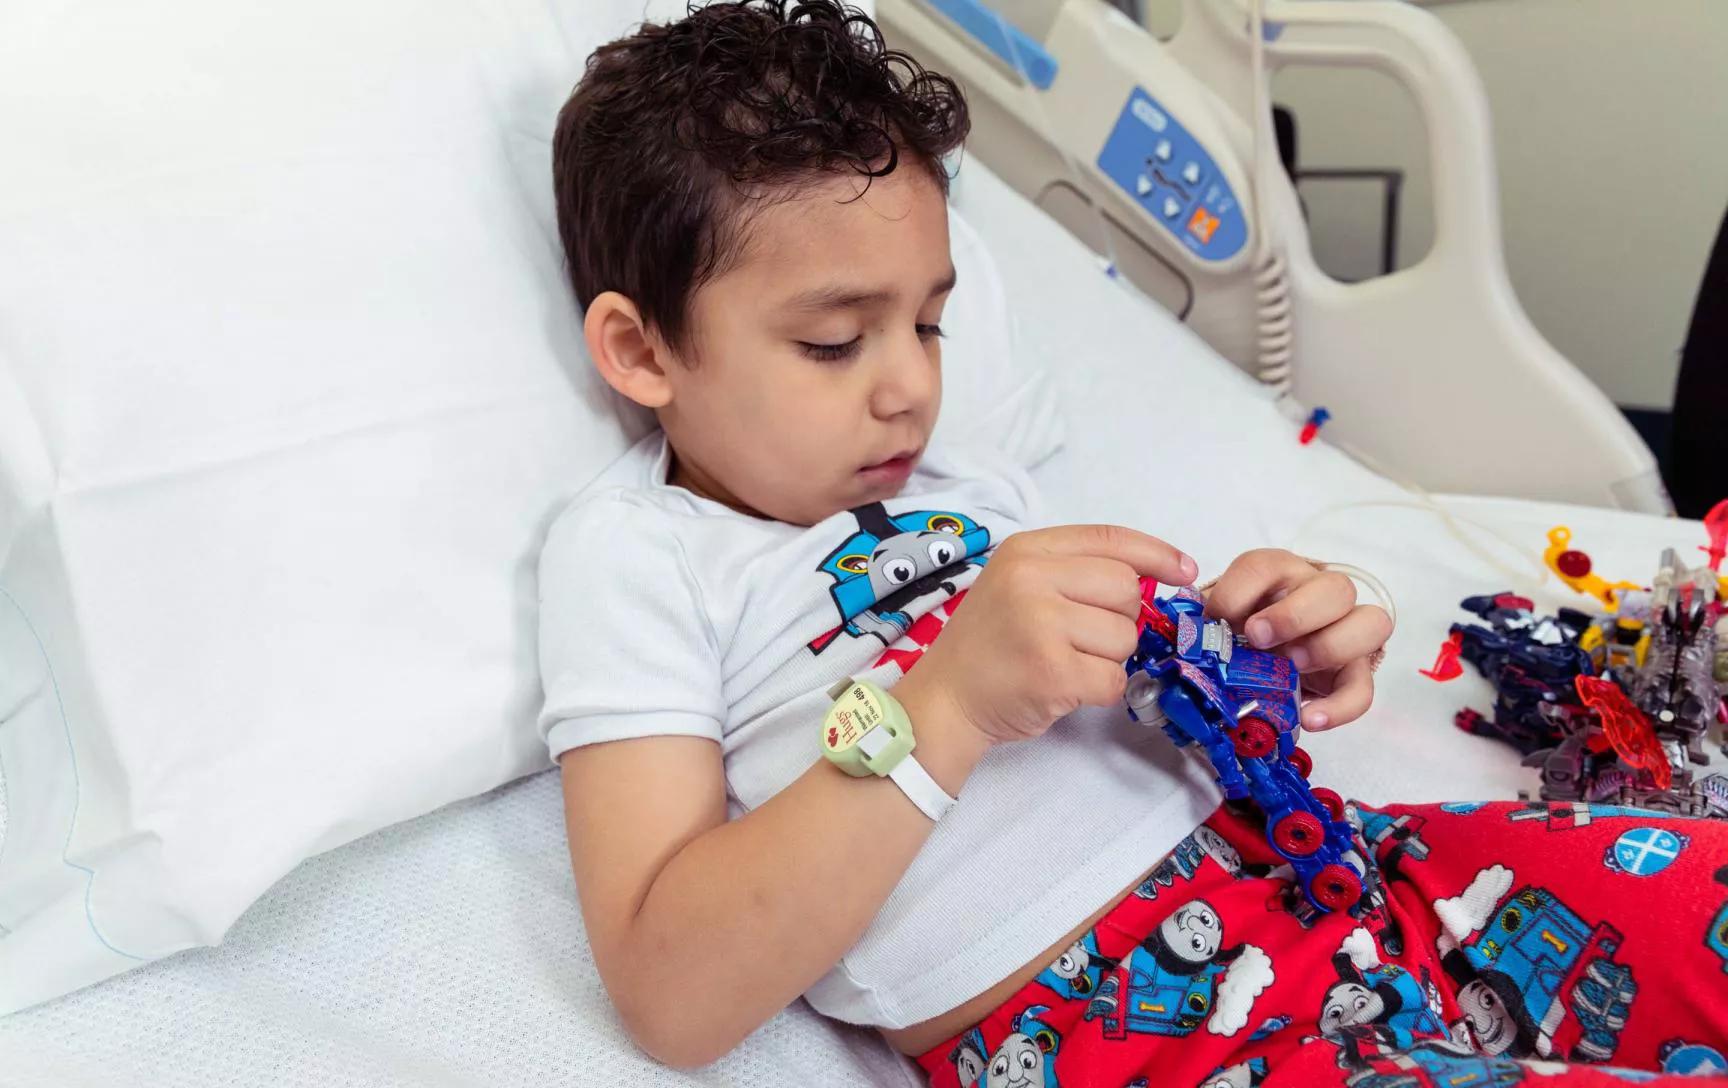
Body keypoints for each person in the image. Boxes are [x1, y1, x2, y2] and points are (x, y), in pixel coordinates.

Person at [539, 3, 1728, 1083]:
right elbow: (672, 994)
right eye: (836, 342)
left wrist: (1262, 641)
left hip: (1363, 869)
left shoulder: (973, 491)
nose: (909, 385)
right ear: (642, 353)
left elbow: (1126, 687)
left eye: (931, 322)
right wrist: (942, 708)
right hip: (1135, 1023)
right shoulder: (640, 555)